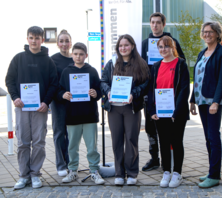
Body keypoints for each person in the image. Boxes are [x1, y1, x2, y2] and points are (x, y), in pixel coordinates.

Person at [5, 26, 58, 189]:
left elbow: (53, 84)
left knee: (39, 143)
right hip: (22, 107)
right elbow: (10, 80)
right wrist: (15, 97)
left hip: (40, 108)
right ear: (27, 39)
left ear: (42, 40)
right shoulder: (18, 58)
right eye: (31, 38)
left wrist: (46, 102)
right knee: (22, 142)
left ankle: (35, 174)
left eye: (37, 38)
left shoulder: (48, 61)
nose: (34, 41)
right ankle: (23, 175)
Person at [100, 34, 149, 185]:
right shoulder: (112, 62)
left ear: (132, 46)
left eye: (126, 45)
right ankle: (119, 173)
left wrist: (133, 94)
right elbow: (103, 81)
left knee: (131, 139)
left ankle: (132, 173)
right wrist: (108, 91)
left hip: (131, 108)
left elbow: (146, 83)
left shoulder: (140, 63)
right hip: (114, 108)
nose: (123, 48)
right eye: (120, 46)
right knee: (116, 141)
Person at [141, 12, 186, 172]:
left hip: (171, 95)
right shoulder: (145, 43)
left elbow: (182, 63)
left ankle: (172, 163)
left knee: (172, 133)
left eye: (158, 22)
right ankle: (155, 158)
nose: (155, 25)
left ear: (163, 24)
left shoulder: (172, 42)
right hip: (153, 93)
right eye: (152, 22)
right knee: (151, 127)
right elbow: (142, 67)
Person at [190, 22, 222, 188]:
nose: (207, 34)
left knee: (213, 137)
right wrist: (192, 99)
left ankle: (215, 175)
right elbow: (197, 78)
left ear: (217, 34)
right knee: (208, 137)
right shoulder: (202, 53)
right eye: (205, 32)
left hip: (213, 101)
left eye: (210, 32)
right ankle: (211, 170)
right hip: (201, 100)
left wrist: (215, 101)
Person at [58, 42, 104, 185]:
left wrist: (96, 93)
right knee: (72, 146)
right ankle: (72, 171)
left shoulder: (92, 71)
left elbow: (100, 90)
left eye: (81, 54)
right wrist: (63, 94)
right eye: (76, 54)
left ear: (86, 55)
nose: (78, 56)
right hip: (72, 116)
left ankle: (94, 171)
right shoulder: (66, 71)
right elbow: (59, 90)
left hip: (89, 115)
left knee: (92, 146)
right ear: (72, 55)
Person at [147, 36, 190, 188]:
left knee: (176, 141)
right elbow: (151, 90)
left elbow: (184, 89)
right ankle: (166, 172)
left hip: (176, 113)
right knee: (164, 142)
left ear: (172, 47)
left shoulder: (181, 64)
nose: (163, 49)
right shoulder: (156, 66)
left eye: (166, 46)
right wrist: (151, 110)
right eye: (160, 47)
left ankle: (177, 173)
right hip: (160, 112)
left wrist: (176, 112)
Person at [50, 30, 73, 177]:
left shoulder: (76, 58)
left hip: (73, 102)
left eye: (67, 40)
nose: (64, 44)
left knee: (71, 134)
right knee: (59, 133)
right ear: (58, 43)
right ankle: (60, 164)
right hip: (58, 101)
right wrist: (60, 94)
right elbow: (51, 82)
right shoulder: (52, 60)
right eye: (61, 41)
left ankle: (71, 163)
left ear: (71, 42)